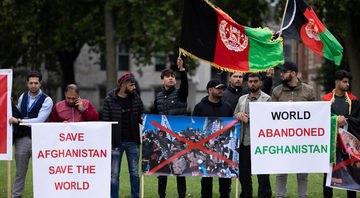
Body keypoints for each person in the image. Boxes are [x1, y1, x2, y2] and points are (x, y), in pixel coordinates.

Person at [271, 61, 316, 198]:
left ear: (293, 73)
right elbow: (271, 114)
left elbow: (315, 114)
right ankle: (280, 196)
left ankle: (303, 196)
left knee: (302, 172)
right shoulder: (277, 91)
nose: (281, 74)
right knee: (281, 171)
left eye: (284, 72)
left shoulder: (309, 90)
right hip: (282, 137)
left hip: (302, 138)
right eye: (281, 72)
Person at [8, 71, 53, 198]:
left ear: (40, 83)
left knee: (41, 171)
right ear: (27, 83)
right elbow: (19, 111)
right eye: (31, 83)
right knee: (20, 172)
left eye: (36, 83)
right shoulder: (23, 96)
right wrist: (10, 104)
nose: (33, 85)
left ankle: (43, 195)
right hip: (22, 139)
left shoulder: (47, 100)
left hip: (39, 139)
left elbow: (39, 120)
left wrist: (19, 121)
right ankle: (16, 196)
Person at [151, 57, 188, 198]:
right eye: (167, 77)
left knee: (179, 169)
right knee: (163, 169)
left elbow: (185, 85)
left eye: (172, 76)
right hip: (163, 139)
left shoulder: (180, 94)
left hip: (178, 139)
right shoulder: (159, 96)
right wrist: (146, 119)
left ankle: (182, 195)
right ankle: (161, 195)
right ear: (162, 80)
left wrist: (181, 69)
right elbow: (155, 114)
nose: (171, 79)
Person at [103, 73, 145, 198]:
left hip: (133, 142)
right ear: (123, 85)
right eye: (131, 85)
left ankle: (135, 196)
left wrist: (143, 118)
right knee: (114, 173)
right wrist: (108, 141)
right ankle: (113, 196)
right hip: (116, 143)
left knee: (134, 174)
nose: (134, 87)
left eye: (134, 85)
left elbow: (141, 115)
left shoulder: (136, 98)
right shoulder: (109, 100)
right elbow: (106, 122)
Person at [192, 79, 233, 198]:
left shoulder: (228, 107)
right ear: (210, 90)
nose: (221, 90)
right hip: (205, 149)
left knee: (224, 178)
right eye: (218, 88)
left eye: (222, 88)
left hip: (222, 150)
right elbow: (195, 127)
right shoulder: (199, 107)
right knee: (206, 179)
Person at [233, 73, 272, 198]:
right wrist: (238, 116)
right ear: (247, 83)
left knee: (263, 175)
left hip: (260, 143)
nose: (252, 84)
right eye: (250, 81)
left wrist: (249, 120)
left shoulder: (267, 99)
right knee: (244, 175)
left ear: (260, 83)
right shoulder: (242, 99)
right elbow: (234, 118)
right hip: (244, 142)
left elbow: (269, 121)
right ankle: (246, 195)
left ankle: (264, 195)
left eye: (255, 81)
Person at [321, 70, 358, 198]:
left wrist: (346, 120)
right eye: (345, 82)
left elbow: (357, 120)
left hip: (348, 144)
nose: (347, 84)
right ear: (337, 82)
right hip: (331, 144)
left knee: (350, 174)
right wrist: (336, 119)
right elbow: (321, 119)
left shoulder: (353, 100)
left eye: (348, 82)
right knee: (328, 175)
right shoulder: (325, 100)